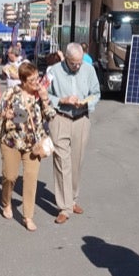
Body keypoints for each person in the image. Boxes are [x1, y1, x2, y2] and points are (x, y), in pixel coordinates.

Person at [0, 62, 55, 231]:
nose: (36, 82)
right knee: (10, 176)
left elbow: (51, 116)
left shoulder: (40, 94)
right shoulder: (11, 93)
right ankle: (6, 201)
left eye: (37, 77)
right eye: (31, 80)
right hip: (12, 141)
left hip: (33, 145)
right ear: (22, 80)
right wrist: (5, 114)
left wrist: (45, 99)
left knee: (30, 179)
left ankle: (28, 216)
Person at [47, 42, 101, 224]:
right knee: (62, 163)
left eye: (79, 63)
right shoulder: (53, 71)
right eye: (73, 63)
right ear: (66, 59)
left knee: (77, 162)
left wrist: (87, 102)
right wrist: (62, 99)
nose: (77, 66)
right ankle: (64, 207)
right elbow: (44, 95)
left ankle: (73, 199)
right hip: (61, 118)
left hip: (81, 119)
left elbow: (96, 92)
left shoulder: (88, 70)